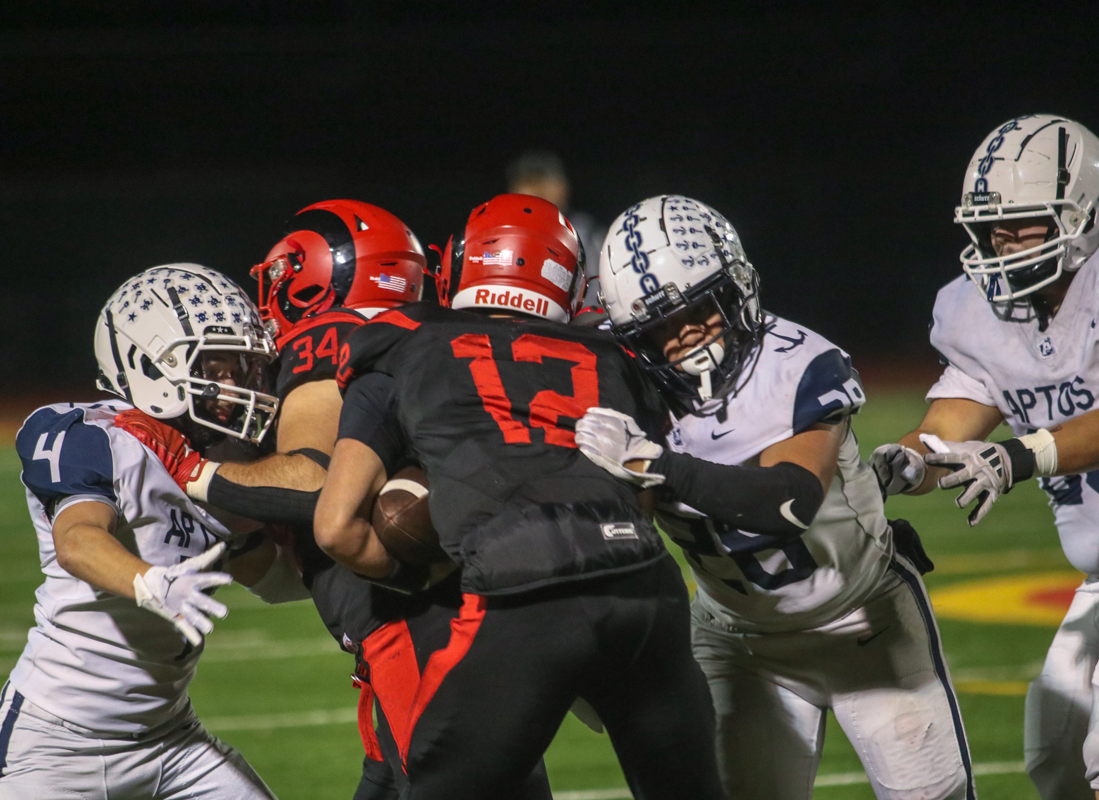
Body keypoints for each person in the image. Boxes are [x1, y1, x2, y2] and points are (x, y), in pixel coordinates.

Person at [313, 193, 724, 800]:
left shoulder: (402, 342)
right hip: (643, 587)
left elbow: (336, 528)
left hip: (521, 593)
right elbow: (639, 500)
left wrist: (431, 573)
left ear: (462, 264)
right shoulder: (612, 356)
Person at [576, 195, 975, 800]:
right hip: (735, 639)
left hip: (861, 620)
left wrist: (656, 464)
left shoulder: (798, 364)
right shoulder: (621, 375)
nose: (684, 333)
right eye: (659, 325)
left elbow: (789, 502)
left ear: (736, 288)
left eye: (700, 308)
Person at [155, 200, 550, 799]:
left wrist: (193, 472)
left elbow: (313, 482)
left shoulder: (333, 338)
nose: (274, 297)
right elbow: (292, 572)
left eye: (286, 278)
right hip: (471, 621)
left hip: (422, 638)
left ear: (320, 276)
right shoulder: (428, 337)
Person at [0, 263, 309, 800]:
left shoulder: (223, 457)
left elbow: (276, 579)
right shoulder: (97, 436)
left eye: (243, 367)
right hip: (58, 745)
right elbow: (77, 541)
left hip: (172, 739)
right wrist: (151, 582)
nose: (236, 385)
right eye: (218, 366)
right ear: (152, 363)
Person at [870, 114, 1099, 800]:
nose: (1001, 240)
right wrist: (903, 465)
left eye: (1021, 222)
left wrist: (1020, 458)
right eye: (992, 225)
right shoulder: (982, 312)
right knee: (1056, 755)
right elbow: (947, 430)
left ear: (1081, 212)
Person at [507, 150, 605, 305]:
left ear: (564, 187)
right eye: (530, 183)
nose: (539, 190)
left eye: (546, 181)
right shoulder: (502, 234)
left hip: (582, 317)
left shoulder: (587, 232)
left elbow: (600, 295)